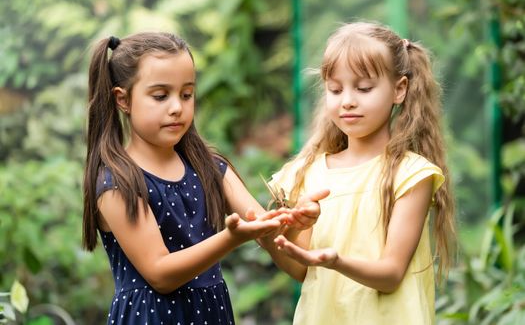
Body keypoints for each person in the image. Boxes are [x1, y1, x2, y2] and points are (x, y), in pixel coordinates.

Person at [82, 32, 327, 325]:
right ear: (123, 99)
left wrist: (295, 222)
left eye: (186, 94)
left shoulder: (211, 168)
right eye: (160, 96)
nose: (177, 107)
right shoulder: (118, 182)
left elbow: (268, 233)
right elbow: (160, 273)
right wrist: (231, 238)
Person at [261, 22, 456, 324]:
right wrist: (277, 237)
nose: (347, 100)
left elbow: (391, 275)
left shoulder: (412, 174)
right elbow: (301, 270)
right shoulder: (307, 172)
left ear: (399, 89)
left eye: (364, 88)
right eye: (335, 89)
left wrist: (337, 261)